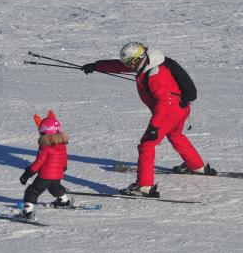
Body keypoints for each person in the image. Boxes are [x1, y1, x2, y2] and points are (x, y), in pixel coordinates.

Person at [81, 42, 216, 197]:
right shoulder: (147, 60)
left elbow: (164, 103)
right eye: (127, 63)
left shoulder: (155, 74)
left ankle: (144, 186)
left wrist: (154, 126)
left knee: (147, 144)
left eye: (129, 63)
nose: (128, 66)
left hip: (169, 111)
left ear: (137, 59)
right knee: (175, 135)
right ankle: (197, 166)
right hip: (180, 108)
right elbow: (121, 65)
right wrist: (97, 66)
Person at [18, 109, 73, 220]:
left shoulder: (45, 146)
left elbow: (39, 162)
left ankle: (27, 213)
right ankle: (65, 201)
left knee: (32, 191)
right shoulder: (62, 144)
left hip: (45, 176)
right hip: (57, 174)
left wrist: (28, 173)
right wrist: (63, 167)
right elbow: (64, 158)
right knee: (55, 188)